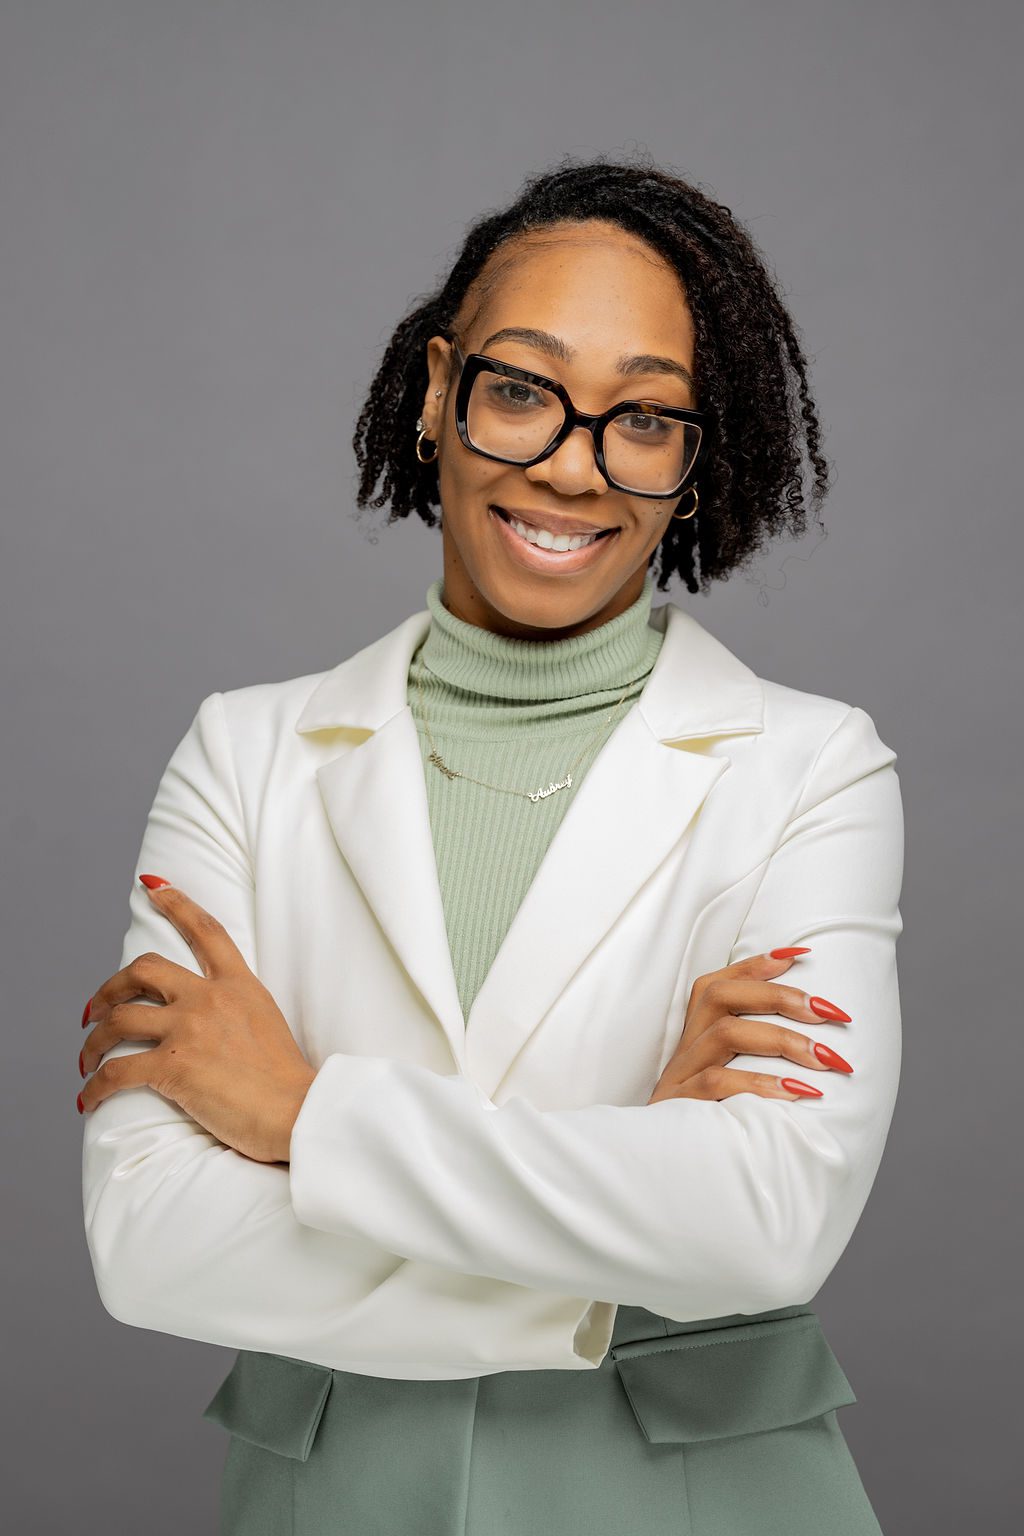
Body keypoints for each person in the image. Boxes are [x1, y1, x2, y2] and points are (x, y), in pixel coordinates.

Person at [78, 155, 904, 1535]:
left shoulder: (811, 767)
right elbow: (149, 1245)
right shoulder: (246, 753)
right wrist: (628, 1185)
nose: (574, 465)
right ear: (436, 393)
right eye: (522, 390)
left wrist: (303, 1117)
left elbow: (764, 1223)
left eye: (643, 417)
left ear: (695, 461)